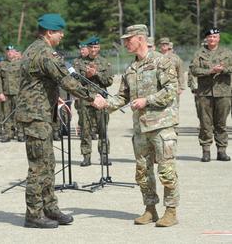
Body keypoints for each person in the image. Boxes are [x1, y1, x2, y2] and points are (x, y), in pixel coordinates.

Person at [15, 13, 100, 229]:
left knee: (48, 163)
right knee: (38, 166)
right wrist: (93, 97)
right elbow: (67, 81)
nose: (62, 35)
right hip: (36, 116)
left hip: (41, 114)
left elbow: (45, 82)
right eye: (59, 32)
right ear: (49, 32)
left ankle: (49, 207)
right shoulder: (44, 53)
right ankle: (33, 214)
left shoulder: (33, 49)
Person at [94, 24, 180, 227]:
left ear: (140, 39)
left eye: (128, 39)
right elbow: (123, 96)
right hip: (141, 129)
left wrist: (147, 100)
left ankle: (171, 211)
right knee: (142, 171)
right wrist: (105, 103)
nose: (125, 43)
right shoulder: (131, 69)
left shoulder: (162, 61)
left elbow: (171, 90)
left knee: (166, 171)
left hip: (161, 126)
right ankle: (150, 209)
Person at [190, 28, 232, 162]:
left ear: (218, 38)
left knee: (221, 123)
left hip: (223, 92)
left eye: (215, 37)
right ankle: (206, 151)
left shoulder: (227, 53)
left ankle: (221, 151)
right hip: (205, 93)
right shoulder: (199, 53)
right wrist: (210, 71)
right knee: (205, 123)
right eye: (210, 37)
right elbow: (194, 70)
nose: (212, 39)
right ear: (206, 39)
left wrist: (223, 69)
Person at [75, 36, 113, 167]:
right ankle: (86, 156)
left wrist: (96, 74)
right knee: (85, 129)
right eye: (90, 47)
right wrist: (87, 76)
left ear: (99, 48)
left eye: (95, 47)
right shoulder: (78, 63)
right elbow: (74, 82)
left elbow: (109, 81)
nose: (93, 49)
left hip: (101, 99)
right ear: (87, 48)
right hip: (85, 100)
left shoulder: (104, 62)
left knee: (103, 129)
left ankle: (104, 155)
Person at [0, 45, 24, 142]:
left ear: (15, 52)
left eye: (12, 51)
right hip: (6, 93)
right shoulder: (2, 64)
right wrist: (0, 92)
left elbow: (24, 79)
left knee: (19, 113)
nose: (10, 53)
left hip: (18, 93)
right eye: (8, 51)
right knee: (6, 114)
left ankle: (20, 133)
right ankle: (8, 133)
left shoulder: (21, 64)